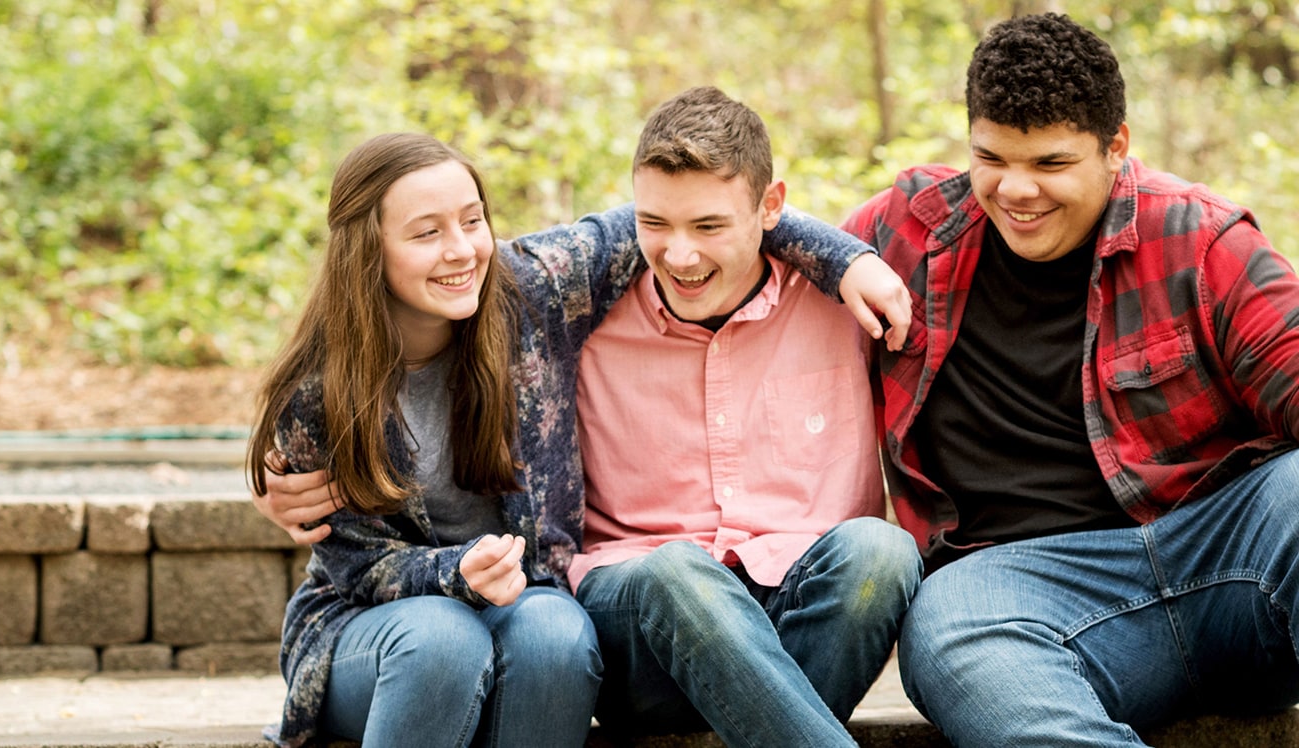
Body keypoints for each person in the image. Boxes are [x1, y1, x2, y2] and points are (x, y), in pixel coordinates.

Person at [250, 128, 913, 746]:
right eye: (426, 233)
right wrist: (457, 571)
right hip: (381, 625)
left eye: (472, 220)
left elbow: (686, 216)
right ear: (368, 248)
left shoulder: (530, 290)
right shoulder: (319, 391)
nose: (461, 249)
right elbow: (358, 566)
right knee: (444, 638)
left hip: (527, 600)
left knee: (557, 636)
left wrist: (847, 259)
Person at [841, 13, 1299, 746]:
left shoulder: (1199, 239)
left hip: (1222, 562)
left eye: (1051, 164)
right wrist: (835, 257)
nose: (1016, 190)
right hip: (1020, 594)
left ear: (1115, 146)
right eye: (992, 157)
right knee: (947, 628)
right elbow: (729, 239)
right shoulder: (907, 233)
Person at [552, 86, 920, 747]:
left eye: (709, 226)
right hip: (640, 625)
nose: (680, 257)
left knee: (881, 551)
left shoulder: (842, 305)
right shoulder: (585, 317)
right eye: (655, 224)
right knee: (677, 571)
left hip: (799, 616)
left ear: (771, 206)